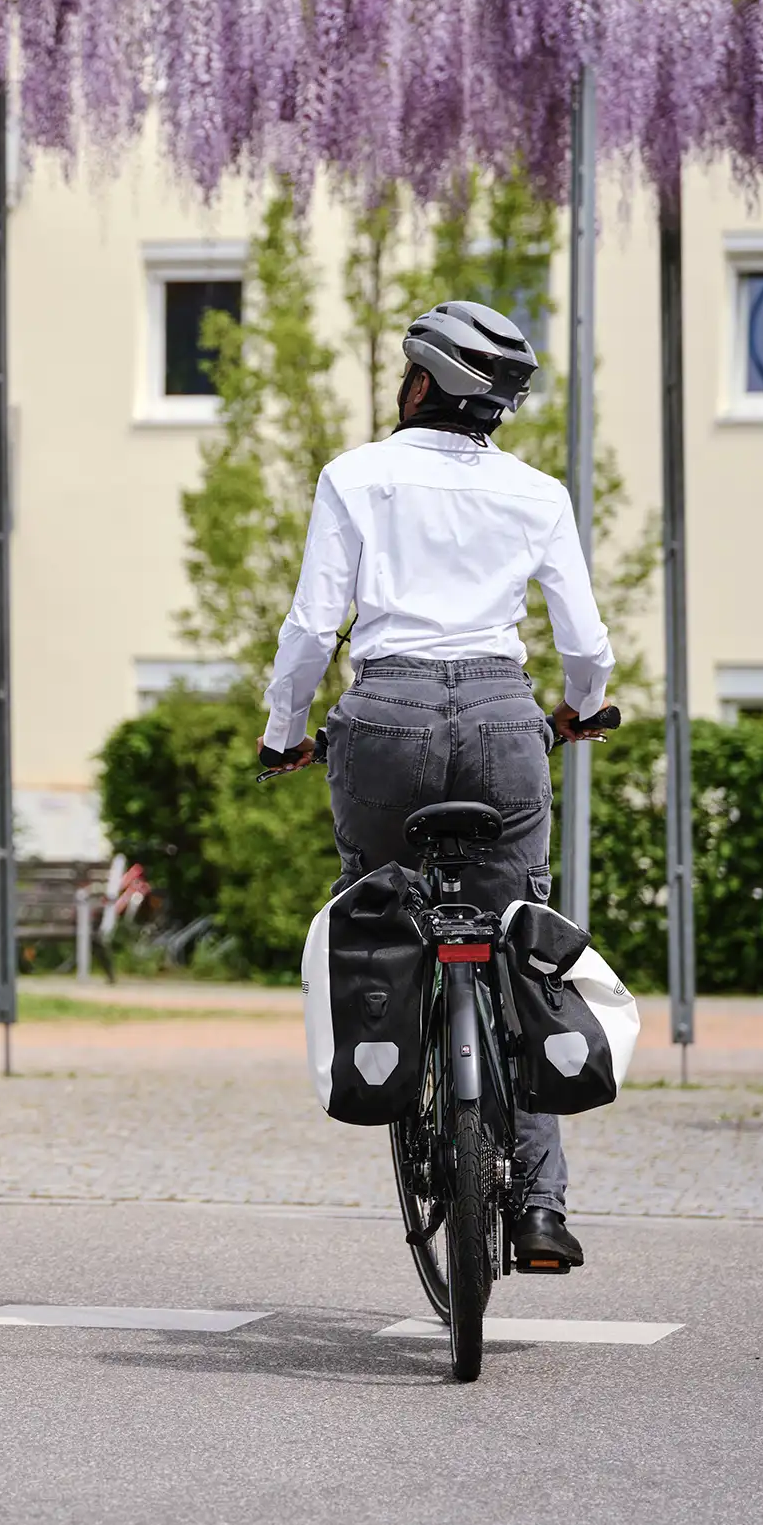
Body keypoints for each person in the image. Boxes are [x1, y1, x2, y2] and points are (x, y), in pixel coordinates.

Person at [256, 300, 616, 1272]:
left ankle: (399, 1079)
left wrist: (283, 734)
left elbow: (311, 629)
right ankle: (539, 1207)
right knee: (521, 946)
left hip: (386, 721)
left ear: (421, 382)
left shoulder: (356, 475)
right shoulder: (537, 493)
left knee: (380, 908)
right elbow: (586, 645)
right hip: (504, 722)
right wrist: (579, 711)